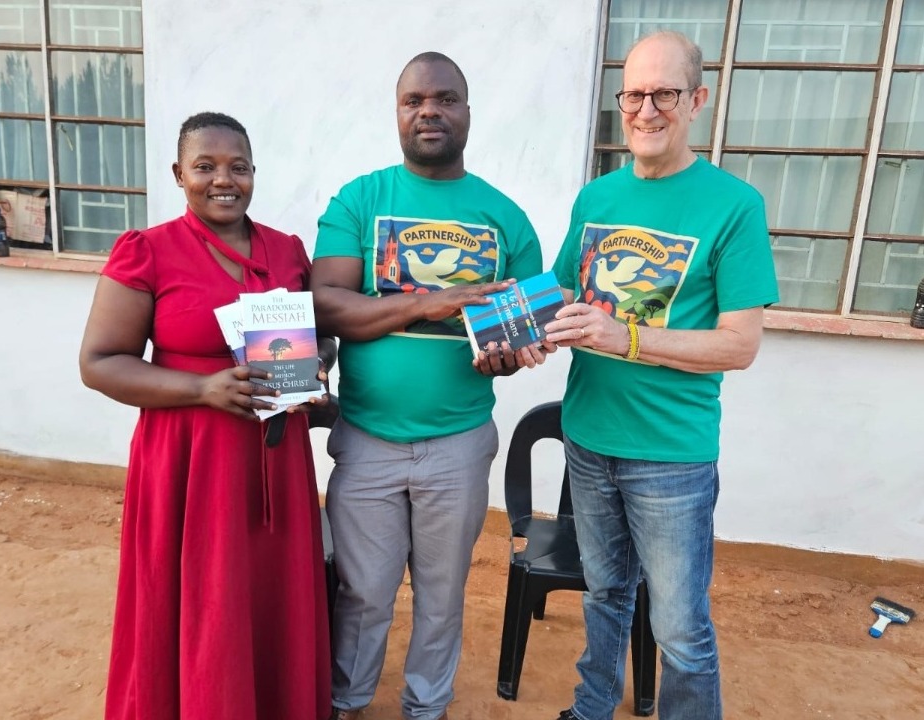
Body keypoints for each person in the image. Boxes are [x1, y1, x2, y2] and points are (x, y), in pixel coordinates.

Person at [544, 31, 779, 720]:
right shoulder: (596, 198)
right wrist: (527, 328)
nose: (645, 110)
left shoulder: (733, 206)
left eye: (664, 94)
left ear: (697, 100)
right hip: (587, 438)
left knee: (678, 627)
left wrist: (625, 335)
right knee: (602, 593)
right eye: (633, 94)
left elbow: (739, 346)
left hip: (670, 456)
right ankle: (591, 708)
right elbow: (563, 295)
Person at [310, 52, 546, 720]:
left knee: (441, 597)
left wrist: (505, 358)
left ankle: (426, 707)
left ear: (466, 112)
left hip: (458, 444)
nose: (429, 111)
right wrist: (428, 302)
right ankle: (348, 701)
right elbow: (326, 305)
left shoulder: (506, 218)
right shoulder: (359, 199)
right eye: (414, 100)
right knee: (362, 592)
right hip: (367, 438)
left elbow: (520, 332)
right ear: (397, 113)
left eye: (444, 98)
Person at [79, 111, 334, 720]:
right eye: (206, 166)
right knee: (200, 595)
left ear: (253, 173)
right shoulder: (148, 252)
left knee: (270, 591)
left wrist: (315, 363)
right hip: (189, 458)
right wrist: (203, 389)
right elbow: (99, 362)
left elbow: (319, 337)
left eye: (238, 167)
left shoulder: (287, 250)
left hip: (274, 455)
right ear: (178, 174)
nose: (225, 179)